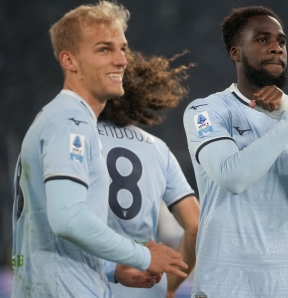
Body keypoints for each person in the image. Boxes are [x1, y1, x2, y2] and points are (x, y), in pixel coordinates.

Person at [11, 2, 187, 297]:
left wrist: (112, 269)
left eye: (123, 49)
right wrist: (142, 255)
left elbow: (49, 234)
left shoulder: (59, 118)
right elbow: (68, 219)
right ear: (69, 60)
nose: (121, 60)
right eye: (104, 49)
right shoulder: (71, 121)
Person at [182, 6, 288, 297]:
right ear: (236, 52)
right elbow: (232, 177)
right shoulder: (207, 110)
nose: (276, 48)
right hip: (225, 288)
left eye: (281, 42)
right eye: (262, 40)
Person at [98, 49, 200, 298]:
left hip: (88, 284)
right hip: (145, 288)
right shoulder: (157, 149)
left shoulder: (76, 138)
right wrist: (171, 285)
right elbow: (196, 225)